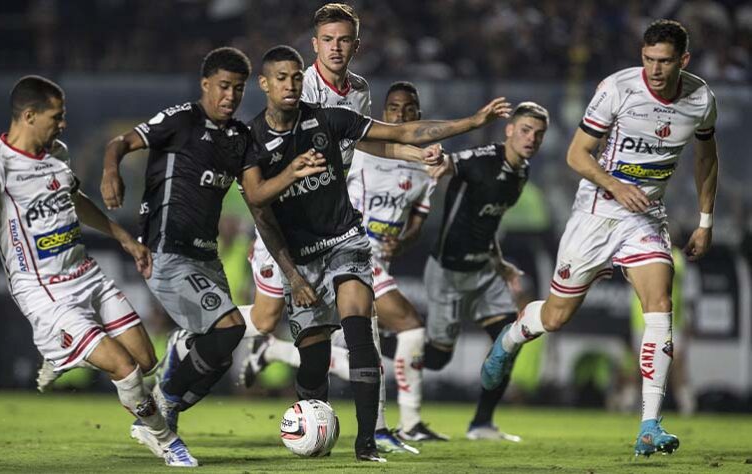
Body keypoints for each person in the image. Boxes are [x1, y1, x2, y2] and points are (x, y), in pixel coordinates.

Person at [244, 45, 510, 462]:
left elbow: (402, 134)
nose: (292, 85)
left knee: (358, 327)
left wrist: (473, 122)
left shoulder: (327, 119)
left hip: (344, 239)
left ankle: (368, 442)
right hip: (300, 255)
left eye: (297, 77)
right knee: (313, 361)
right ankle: (315, 426)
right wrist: (293, 277)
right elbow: (259, 207)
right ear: (264, 84)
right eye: (282, 78)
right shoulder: (252, 139)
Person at [0, 75, 195, 467]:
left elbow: (74, 199)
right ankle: (165, 439)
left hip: (86, 274)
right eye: (57, 116)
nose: (63, 123)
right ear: (29, 115)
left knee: (147, 360)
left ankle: (65, 355)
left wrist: (122, 236)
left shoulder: (58, 152)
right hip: (43, 291)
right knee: (124, 368)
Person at [480, 19, 719, 457]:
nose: (655, 70)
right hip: (596, 213)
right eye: (648, 60)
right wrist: (615, 185)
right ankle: (513, 336)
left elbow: (706, 157)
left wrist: (705, 220)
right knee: (555, 318)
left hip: (645, 218)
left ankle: (649, 424)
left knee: (661, 304)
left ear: (683, 60)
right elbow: (576, 154)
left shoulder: (701, 99)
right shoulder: (618, 89)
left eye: (664, 62)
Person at [99, 47, 329, 456]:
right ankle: (163, 406)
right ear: (206, 85)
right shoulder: (180, 120)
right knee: (230, 330)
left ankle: (157, 415)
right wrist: (111, 170)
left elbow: (257, 197)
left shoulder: (240, 138)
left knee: (221, 354)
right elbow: (121, 141)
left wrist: (292, 174)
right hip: (166, 251)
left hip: (206, 257)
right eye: (223, 87)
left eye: (238, 89)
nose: (230, 97)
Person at [243, 81, 450, 443]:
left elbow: (416, 221)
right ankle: (396, 426)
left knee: (349, 347)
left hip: (373, 258)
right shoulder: (363, 150)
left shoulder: (424, 169)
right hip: (344, 248)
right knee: (407, 329)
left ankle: (274, 350)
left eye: (409, 109)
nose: (402, 115)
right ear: (383, 114)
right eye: (395, 109)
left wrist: (404, 240)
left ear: (419, 114)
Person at [422, 102, 549, 442]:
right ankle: (389, 345)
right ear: (509, 129)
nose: (531, 138)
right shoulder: (483, 159)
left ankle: (481, 424)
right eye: (525, 130)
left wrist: (500, 261)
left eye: (538, 134)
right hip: (448, 270)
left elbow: (487, 222)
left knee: (507, 341)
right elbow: (452, 162)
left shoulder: (522, 173)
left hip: (483, 271)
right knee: (435, 359)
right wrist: (438, 161)